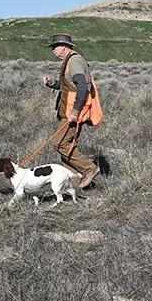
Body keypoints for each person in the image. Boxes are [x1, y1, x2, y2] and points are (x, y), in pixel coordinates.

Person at [38, 34, 104, 189]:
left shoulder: (74, 61)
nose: (53, 50)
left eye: (55, 47)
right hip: (68, 112)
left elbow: (82, 87)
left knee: (60, 144)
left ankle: (89, 169)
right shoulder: (69, 61)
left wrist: (75, 111)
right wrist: (52, 83)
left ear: (65, 46)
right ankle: (75, 177)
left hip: (73, 113)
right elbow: (69, 86)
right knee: (65, 143)